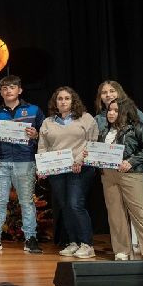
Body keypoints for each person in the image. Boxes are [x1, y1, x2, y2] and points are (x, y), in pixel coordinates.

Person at [0, 75, 45, 254]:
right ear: (1, 92)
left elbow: (46, 136)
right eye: (4, 88)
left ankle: (31, 238)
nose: (8, 91)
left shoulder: (34, 110)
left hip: (25, 161)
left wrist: (36, 135)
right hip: (1, 163)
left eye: (12, 87)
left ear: (20, 90)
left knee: (26, 202)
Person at [38, 86, 98, 258]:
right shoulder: (48, 122)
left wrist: (79, 160)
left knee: (75, 204)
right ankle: (73, 242)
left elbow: (92, 142)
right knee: (65, 206)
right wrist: (43, 167)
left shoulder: (86, 118)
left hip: (79, 168)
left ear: (73, 101)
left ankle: (87, 244)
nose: (63, 102)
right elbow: (43, 147)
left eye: (67, 98)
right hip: (57, 171)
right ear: (55, 102)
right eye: (60, 99)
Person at [94, 98, 143, 260]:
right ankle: (122, 250)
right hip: (108, 175)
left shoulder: (137, 127)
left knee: (140, 213)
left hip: (131, 174)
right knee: (115, 214)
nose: (111, 113)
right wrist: (92, 155)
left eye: (116, 110)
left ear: (125, 112)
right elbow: (101, 152)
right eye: (110, 110)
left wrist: (131, 162)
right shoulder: (105, 131)